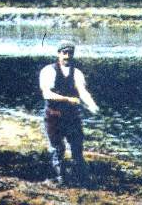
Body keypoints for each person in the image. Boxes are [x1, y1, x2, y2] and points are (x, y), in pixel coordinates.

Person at [38, 40, 100, 186]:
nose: (67, 56)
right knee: (58, 148)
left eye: (70, 53)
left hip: (72, 118)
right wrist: (68, 99)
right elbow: (47, 94)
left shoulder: (77, 73)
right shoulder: (48, 71)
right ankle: (60, 179)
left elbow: (83, 92)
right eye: (64, 53)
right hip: (54, 116)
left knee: (77, 148)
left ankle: (81, 179)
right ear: (58, 54)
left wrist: (92, 105)